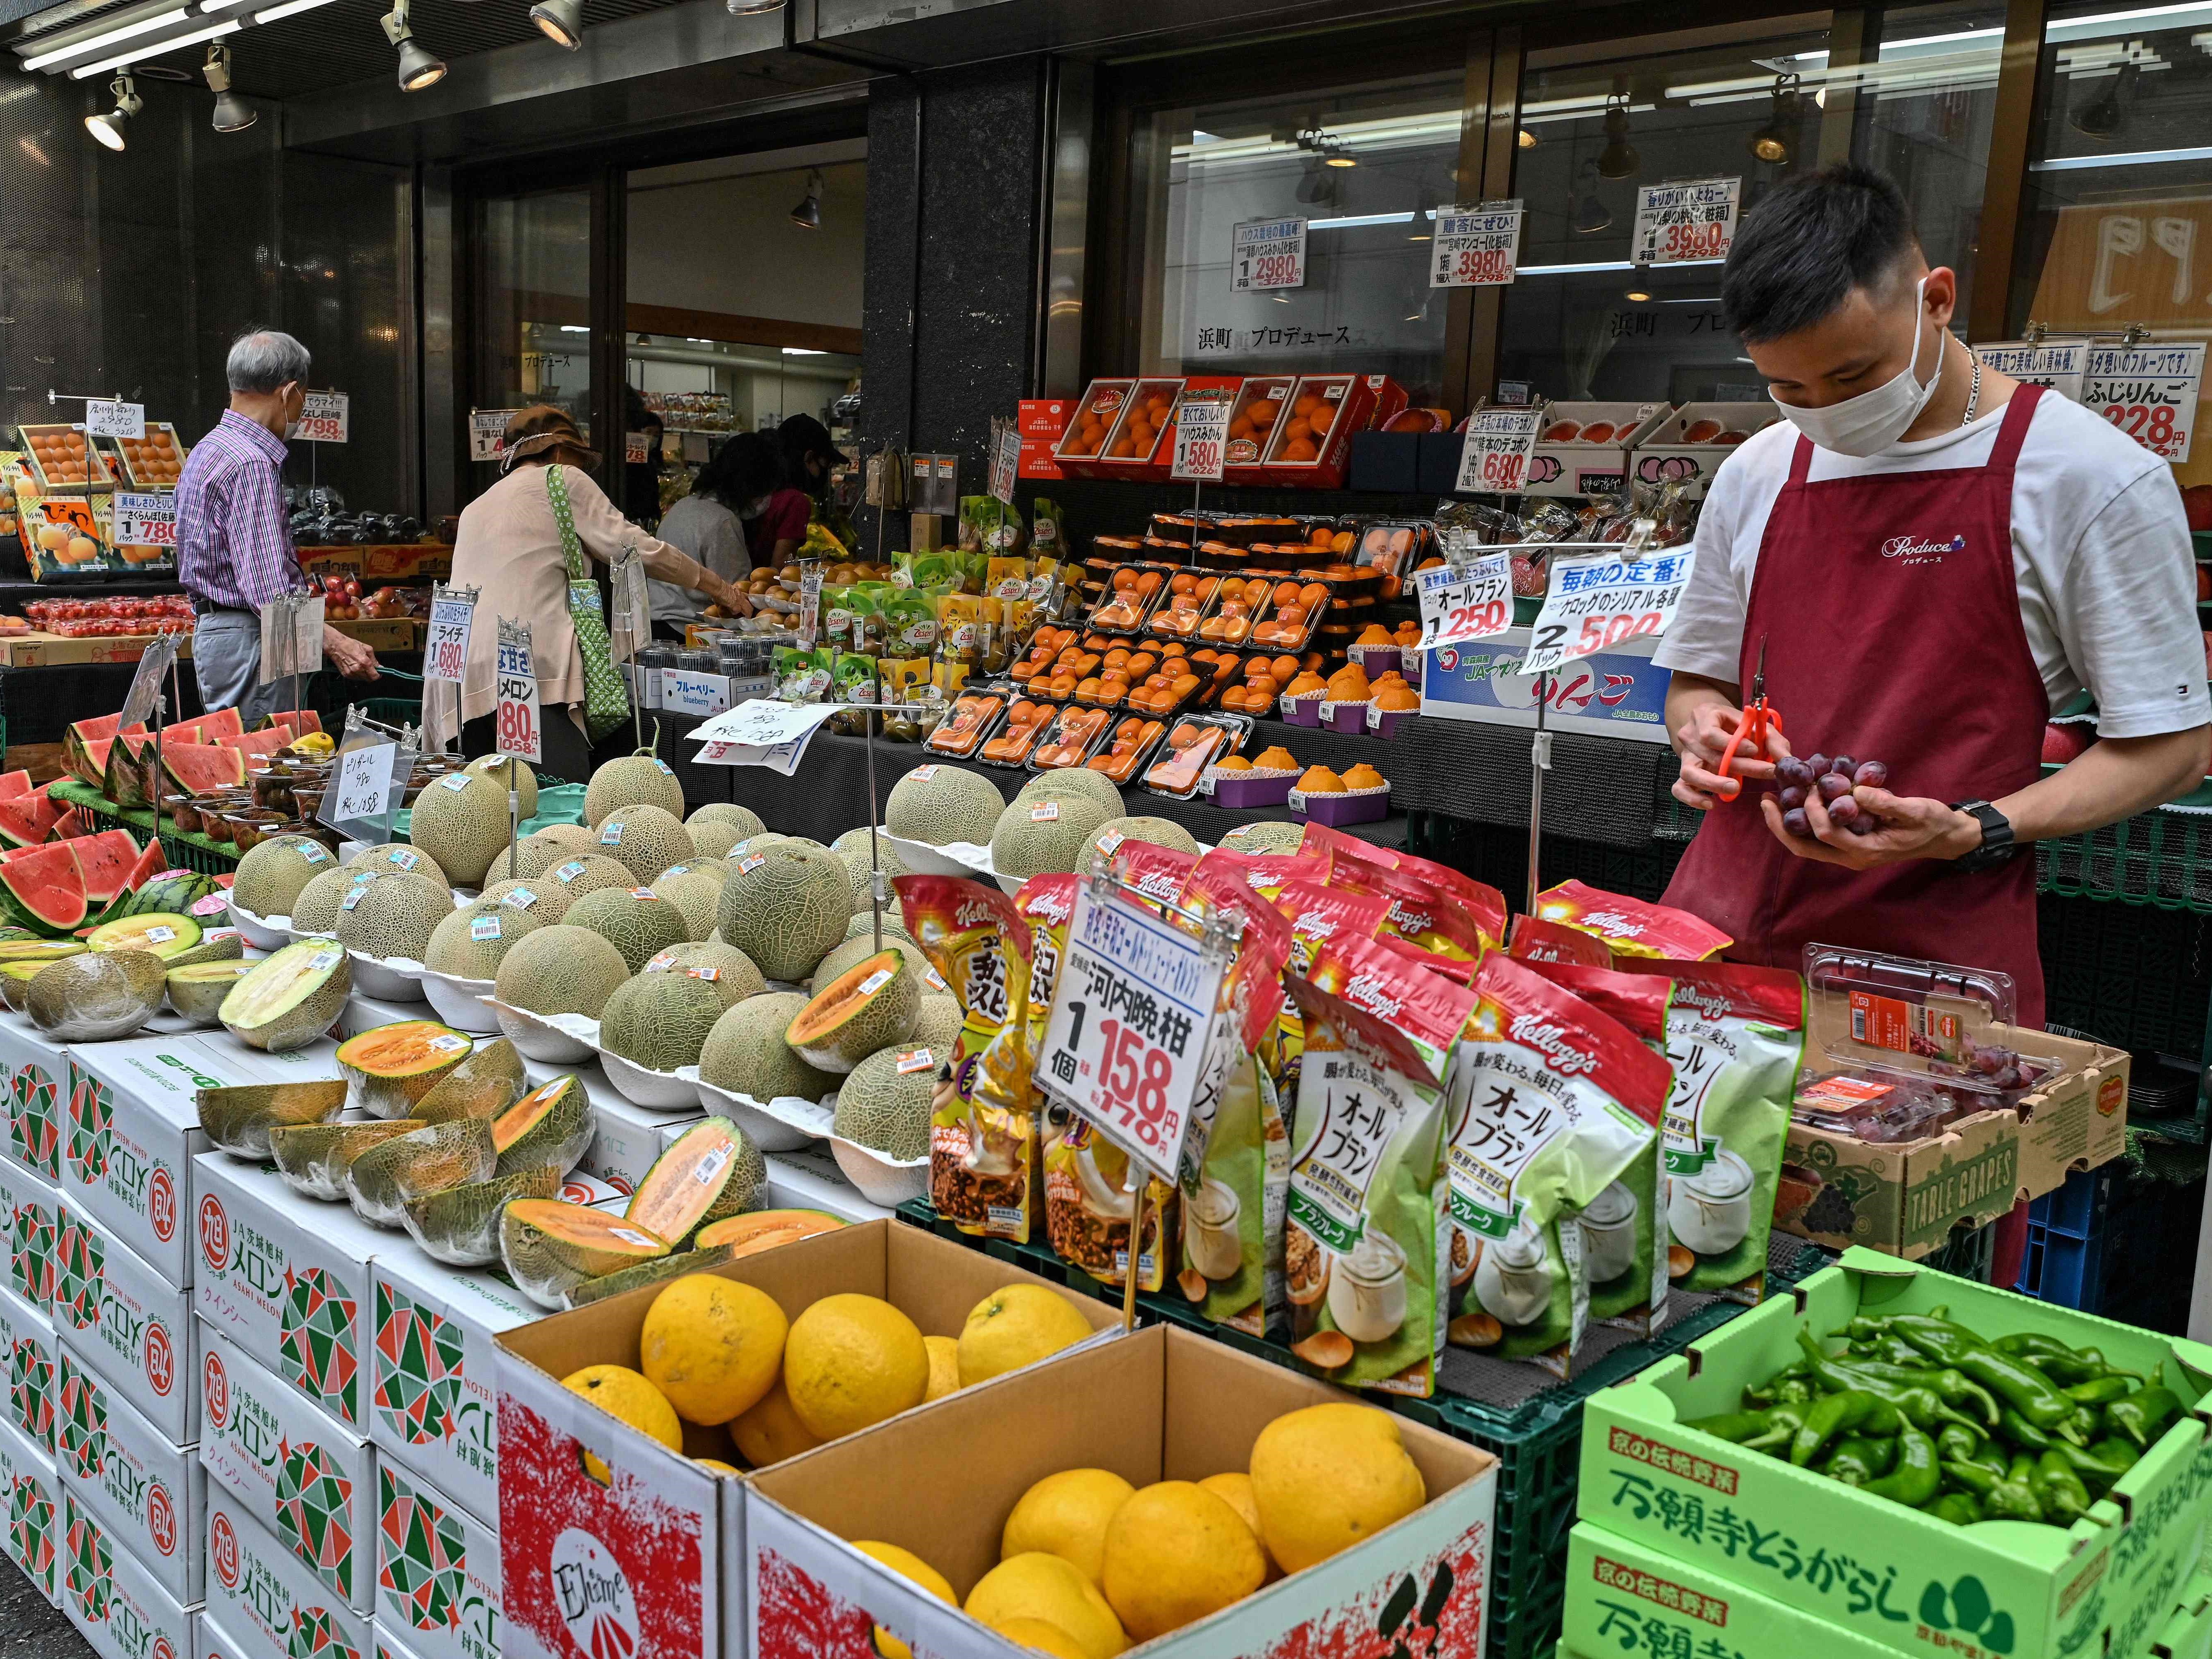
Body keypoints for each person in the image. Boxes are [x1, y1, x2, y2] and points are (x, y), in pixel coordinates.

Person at [1657, 164, 2212, 1279]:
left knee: (1887, 1312)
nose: (1820, 411)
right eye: (1786, 387)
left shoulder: (2088, 478)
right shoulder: (1758, 471)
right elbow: (1697, 679)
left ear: (1937, 299)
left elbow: (2170, 743)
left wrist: (1977, 827)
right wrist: (1704, 735)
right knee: (1677, 1277)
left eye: (1849, 374)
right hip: (1728, 952)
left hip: (1925, 989)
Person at [445, 406, 750, 779]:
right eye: (578, 459)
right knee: (560, 802)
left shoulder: (477, 506)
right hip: (532, 670)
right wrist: (720, 588)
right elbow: (634, 546)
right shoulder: (562, 478)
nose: (585, 471)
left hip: (464, 678)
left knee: (491, 809)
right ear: (557, 452)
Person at [178, 328, 380, 724]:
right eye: (303, 397)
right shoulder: (252, 461)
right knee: (264, 765)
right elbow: (268, 588)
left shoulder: (208, 449)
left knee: (242, 758)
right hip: (255, 637)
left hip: (228, 632)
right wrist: (334, 641)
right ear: (289, 394)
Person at [648, 434, 779, 636]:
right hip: (689, 631)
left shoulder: (682, 506)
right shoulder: (723, 522)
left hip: (654, 623)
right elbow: (738, 595)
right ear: (752, 488)